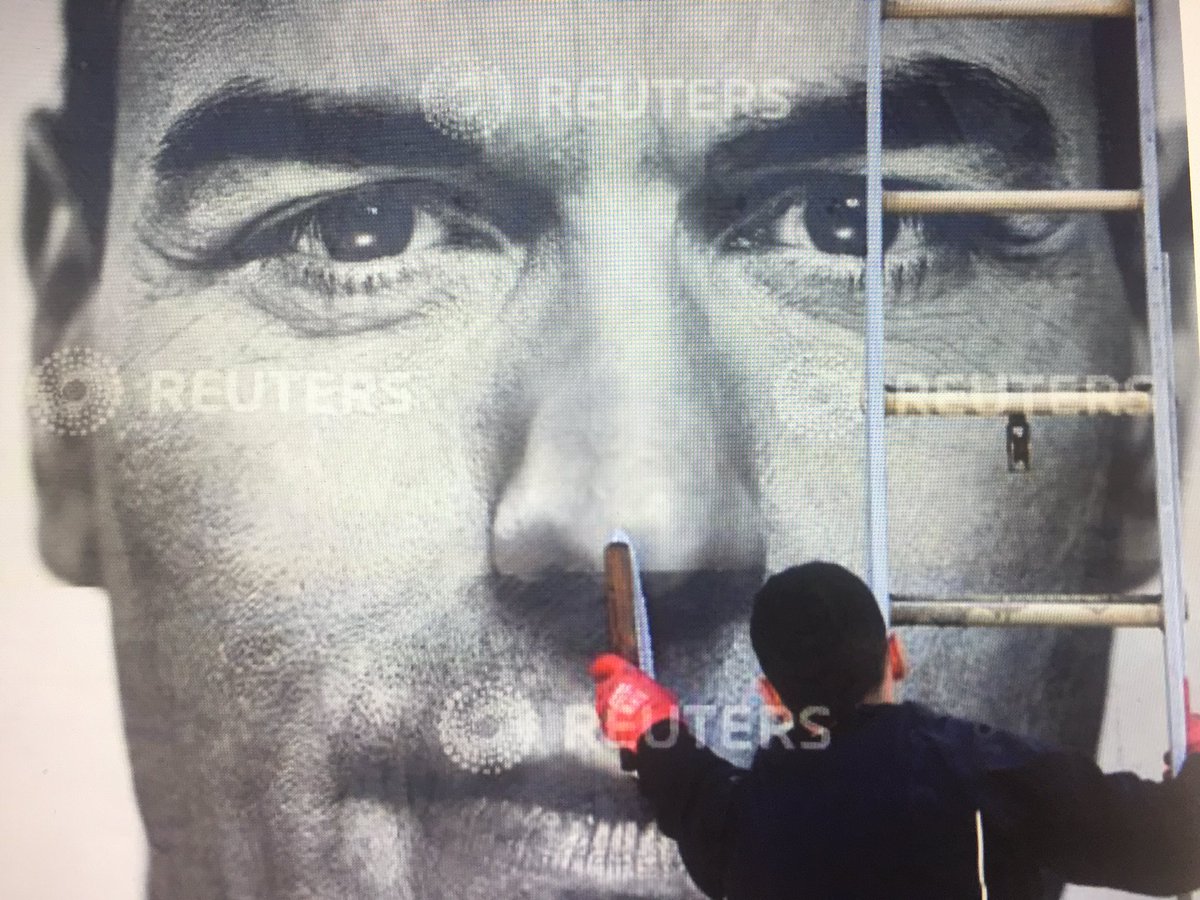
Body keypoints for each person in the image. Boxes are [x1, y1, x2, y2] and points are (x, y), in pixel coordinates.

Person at [22, 0, 1195, 896]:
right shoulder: (963, 774)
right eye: (361, 228)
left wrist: (640, 719)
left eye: (855, 226)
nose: (639, 519)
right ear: (62, 392)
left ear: (1157, 397)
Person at [591, 562, 1200, 899]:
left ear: (772, 697)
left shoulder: (743, 823)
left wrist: (649, 725)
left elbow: (689, 788)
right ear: (897, 656)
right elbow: (1178, 850)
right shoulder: (984, 775)